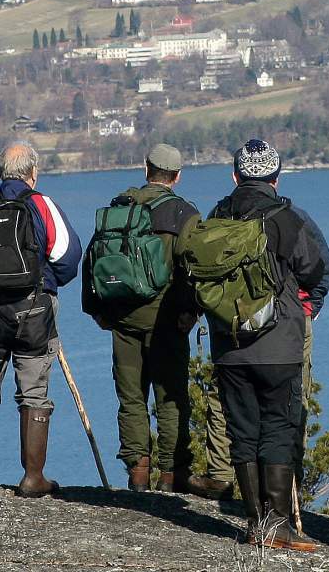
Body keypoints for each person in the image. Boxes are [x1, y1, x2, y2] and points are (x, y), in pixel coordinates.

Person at [198, 138, 329, 551]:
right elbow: (318, 271)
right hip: (279, 344)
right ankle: (277, 525)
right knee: (278, 427)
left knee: (242, 430)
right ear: (276, 177)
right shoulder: (288, 218)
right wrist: (303, 308)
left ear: (235, 176)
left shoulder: (216, 217)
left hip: (229, 344)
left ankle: (256, 523)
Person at [0, 141, 81, 497]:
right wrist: (46, 284)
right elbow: (69, 258)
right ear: (33, 173)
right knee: (33, 391)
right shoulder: (42, 205)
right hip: (34, 312)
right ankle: (33, 477)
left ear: (0, 173)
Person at [82, 143, 213, 493]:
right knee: (170, 397)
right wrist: (191, 312)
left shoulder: (120, 208)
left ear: (146, 169)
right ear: (177, 176)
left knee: (131, 398)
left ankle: (138, 473)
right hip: (167, 321)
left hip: (123, 318)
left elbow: (92, 260)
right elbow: (196, 268)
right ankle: (172, 474)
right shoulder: (184, 214)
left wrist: (98, 311)